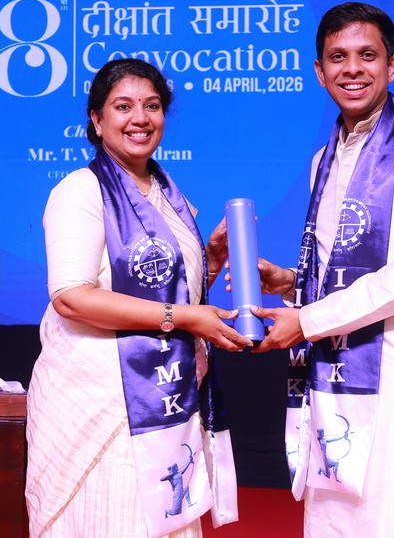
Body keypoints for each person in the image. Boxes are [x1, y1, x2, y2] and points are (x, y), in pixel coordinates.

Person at [249, 2, 394, 536]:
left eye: (367, 55)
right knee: (337, 524)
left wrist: (307, 321)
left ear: (392, 65)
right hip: (335, 378)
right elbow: (344, 270)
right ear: (320, 71)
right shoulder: (324, 159)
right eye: (338, 57)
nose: (352, 68)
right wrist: (294, 285)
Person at [25, 58, 249, 537]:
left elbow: (173, 293)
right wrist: (182, 317)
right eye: (123, 106)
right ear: (97, 120)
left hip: (163, 396)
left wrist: (210, 260)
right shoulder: (80, 191)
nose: (140, 118)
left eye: (152, 105)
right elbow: (71, 298)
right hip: (98, 402)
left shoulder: (169, 196)